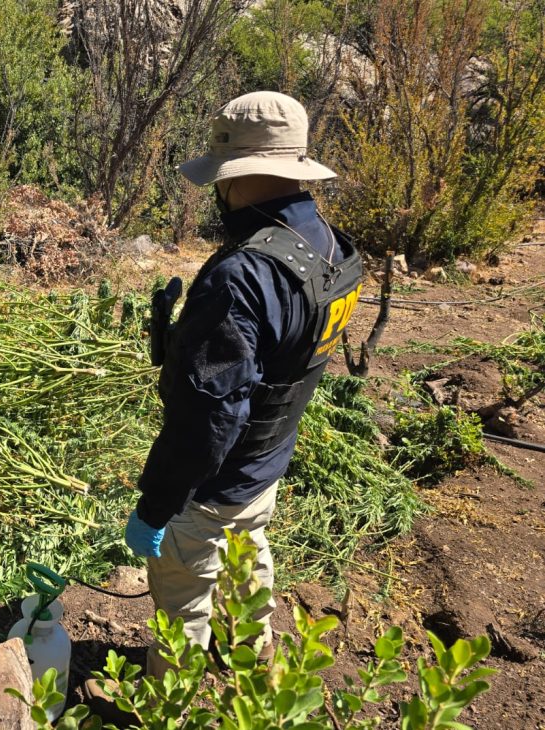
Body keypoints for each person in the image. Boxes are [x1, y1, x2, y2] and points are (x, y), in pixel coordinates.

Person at [124, 91, 364, 678]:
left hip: (214, 483)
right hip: (267, 462)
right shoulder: (331, 246)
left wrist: (156, 508)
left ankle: (166, 706)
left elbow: (207, 422)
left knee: (182, 602)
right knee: (247, 560)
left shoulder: (240, 279)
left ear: (240, 176)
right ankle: (251, 673)